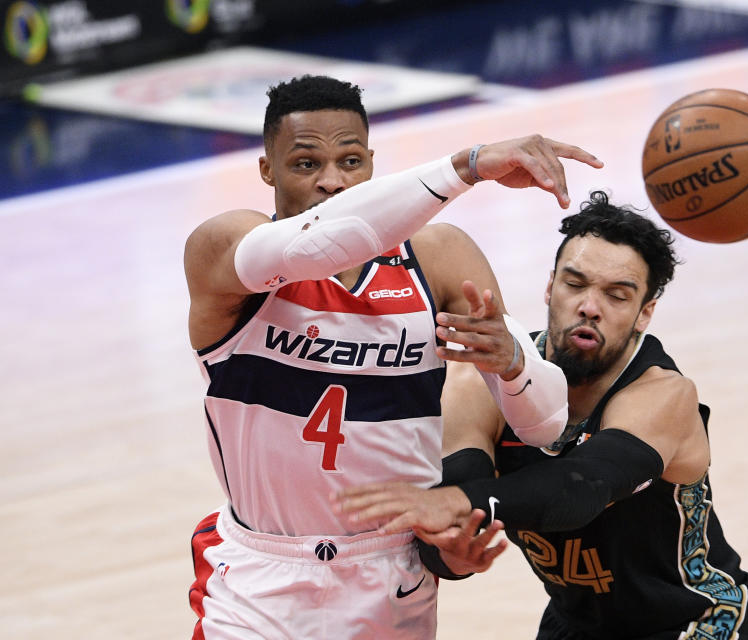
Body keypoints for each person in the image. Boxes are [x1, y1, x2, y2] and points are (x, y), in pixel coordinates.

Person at [182, 74, 603, 639]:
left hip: (391, 577)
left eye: (351, 161)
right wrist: (468, 165)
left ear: (374, 164)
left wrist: (513, 365)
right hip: (261, 583)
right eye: (306, 164)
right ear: (267, 171)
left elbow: (547, 424)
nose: (333, 181)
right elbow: (320, 242)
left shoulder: (441, 258)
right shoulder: (227, 248)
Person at [338, 191, 748, 639]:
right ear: (550, 286)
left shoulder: (662, 395)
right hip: (576, 624)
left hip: (691, 622)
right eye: (575, 284)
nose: (589, 306)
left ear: (645, 314)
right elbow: (452, 511)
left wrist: (459, 502)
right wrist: (454, 554)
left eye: (617, 296)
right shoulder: (482, 383)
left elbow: (581, 489)